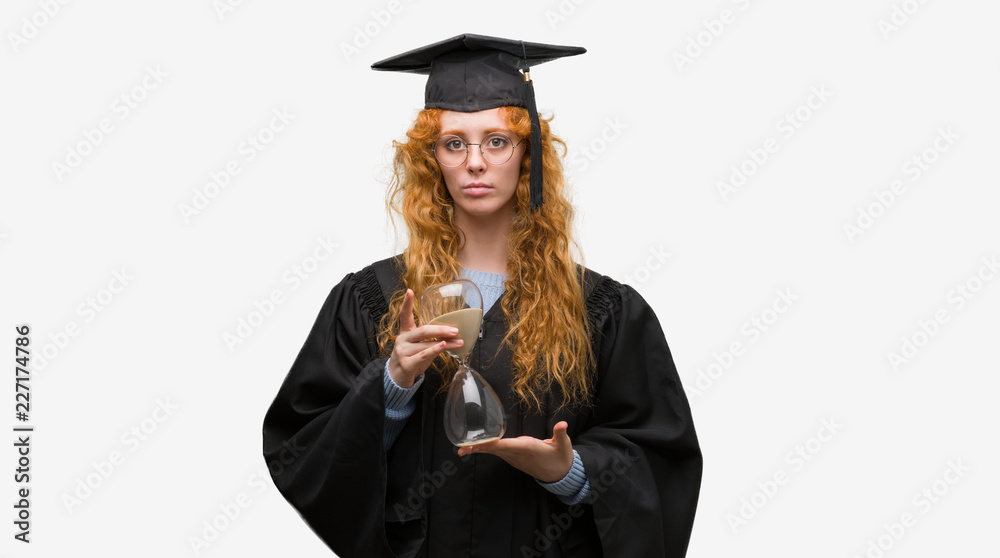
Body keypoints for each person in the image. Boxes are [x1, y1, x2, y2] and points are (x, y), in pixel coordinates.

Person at [262, 34, 702, 558]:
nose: (475, 162)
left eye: (497, 141)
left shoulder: (601, 311)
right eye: (454, 143)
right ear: (433, 161)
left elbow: (661, 459)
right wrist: (393, 384)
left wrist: (570, 471)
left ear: (529, 155)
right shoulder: (372, 299)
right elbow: (301, 452)